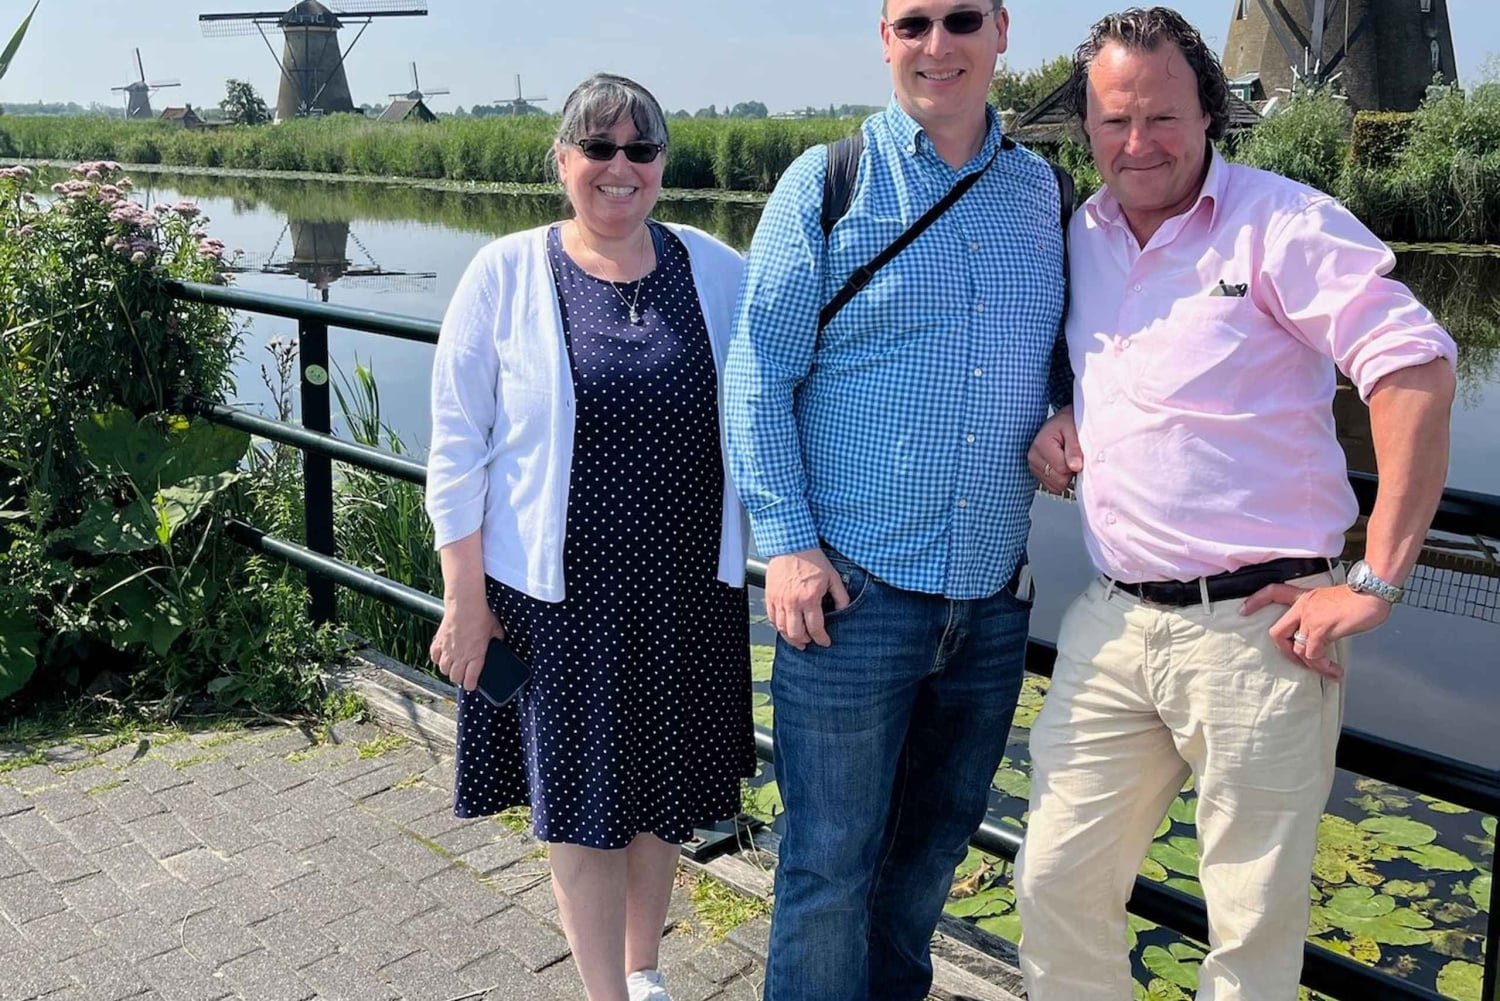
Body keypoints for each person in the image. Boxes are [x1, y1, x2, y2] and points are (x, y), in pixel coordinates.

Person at [1015, 10, 1458, 1000]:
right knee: (1052, 879)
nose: (1138, 142)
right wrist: (1058, 418)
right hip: (1116, 617)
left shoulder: (1282, 222)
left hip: (1261, 632)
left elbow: (1416, 368)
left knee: (1249, 932)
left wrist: (1376, 576)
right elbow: (1104, 369)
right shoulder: (1079, 234)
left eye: (1162, 116)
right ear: (1085, 124)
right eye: (1113, 119)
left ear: (1210, 109)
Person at [723, 1, 1069, 997]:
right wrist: (786, 543)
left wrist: (1070, 411)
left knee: (926, 864)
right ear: (884, 40)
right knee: (828, 868)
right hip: (853, 595)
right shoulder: (826, 184)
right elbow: (758, 374)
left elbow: (1076, 353)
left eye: (961, 18)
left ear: (1002, 31)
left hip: (992, 601)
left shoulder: (1045, 193)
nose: (937, 44)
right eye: (911, 22)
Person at [424, 73, 756, 1001]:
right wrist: (466, 600)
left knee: (660, 795)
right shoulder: (505, 272)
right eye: (598, 148)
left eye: (641, 149)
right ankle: (602, 992)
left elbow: (787, 375)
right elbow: (456, 448)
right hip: (559, 595)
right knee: (579, 802)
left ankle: (645, 972)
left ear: (662, 166)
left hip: (689, 585)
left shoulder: (715, 267)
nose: (620, 167)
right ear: (562, 161)